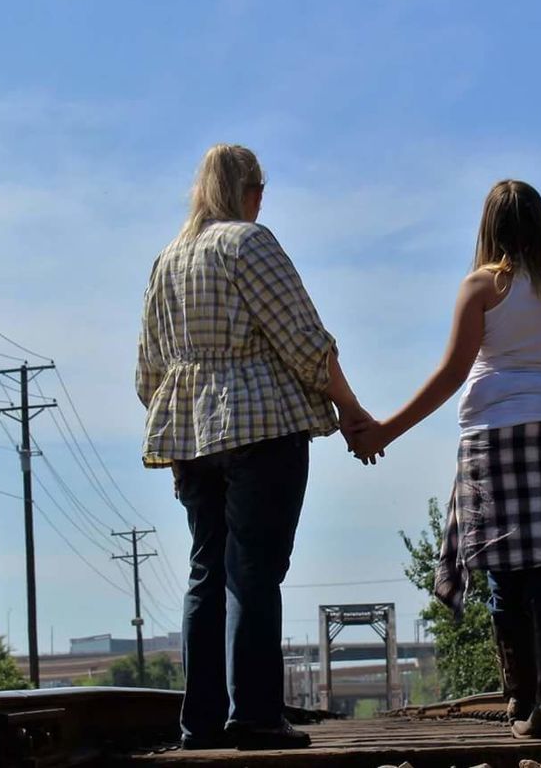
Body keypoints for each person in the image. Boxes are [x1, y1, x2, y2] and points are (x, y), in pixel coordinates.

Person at [350, 179, 541, 740]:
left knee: (505, 569)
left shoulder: (480, 287)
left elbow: (451, 374)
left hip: (494, 438)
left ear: (489, 228)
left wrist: (385, 431)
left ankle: (521, 703)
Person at [136, 144, 377, 751]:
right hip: (261, 427)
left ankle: (201, 724)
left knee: (205, 572)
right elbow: (305, 341)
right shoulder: (249, 242)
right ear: (250, 192)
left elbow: (148, 374)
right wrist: (351, 410)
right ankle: (257, 717)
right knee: (253, 573)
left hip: (192, 437)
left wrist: (179, 442)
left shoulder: (166, 262)